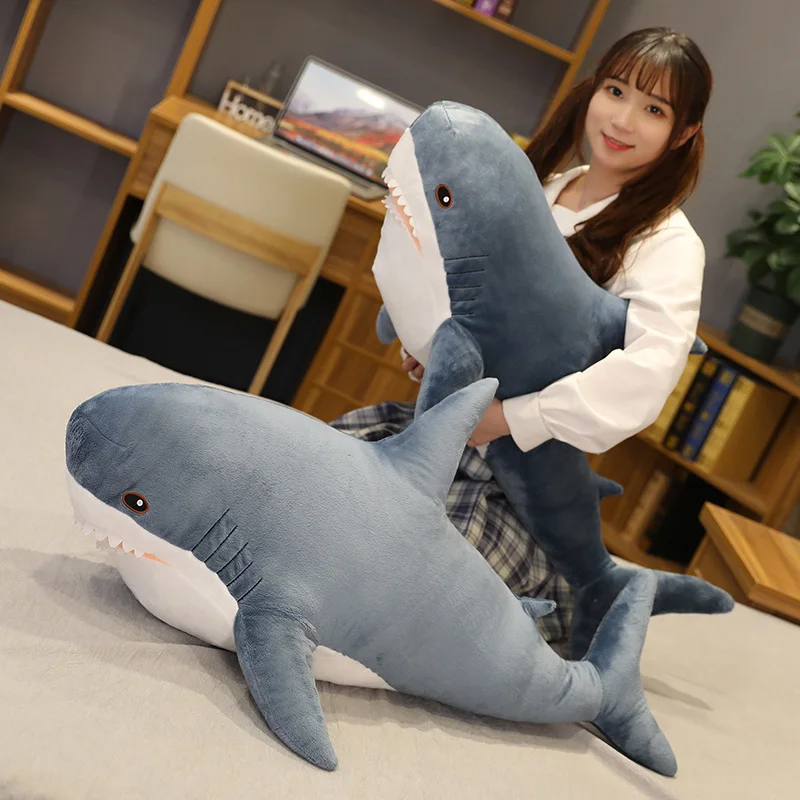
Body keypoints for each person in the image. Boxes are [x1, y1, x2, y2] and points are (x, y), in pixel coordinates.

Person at [332, 27, 713, 650]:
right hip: (440, 431)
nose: (622, 120)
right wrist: (426, 348)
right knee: (318, 495)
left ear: (683, 133)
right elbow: (467, 294)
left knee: (408, 586)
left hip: (523, 485)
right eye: (616, 91)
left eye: (654, 110)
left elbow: (644, 379)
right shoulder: (544, 185)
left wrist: (510, 418)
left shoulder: (667, 244)